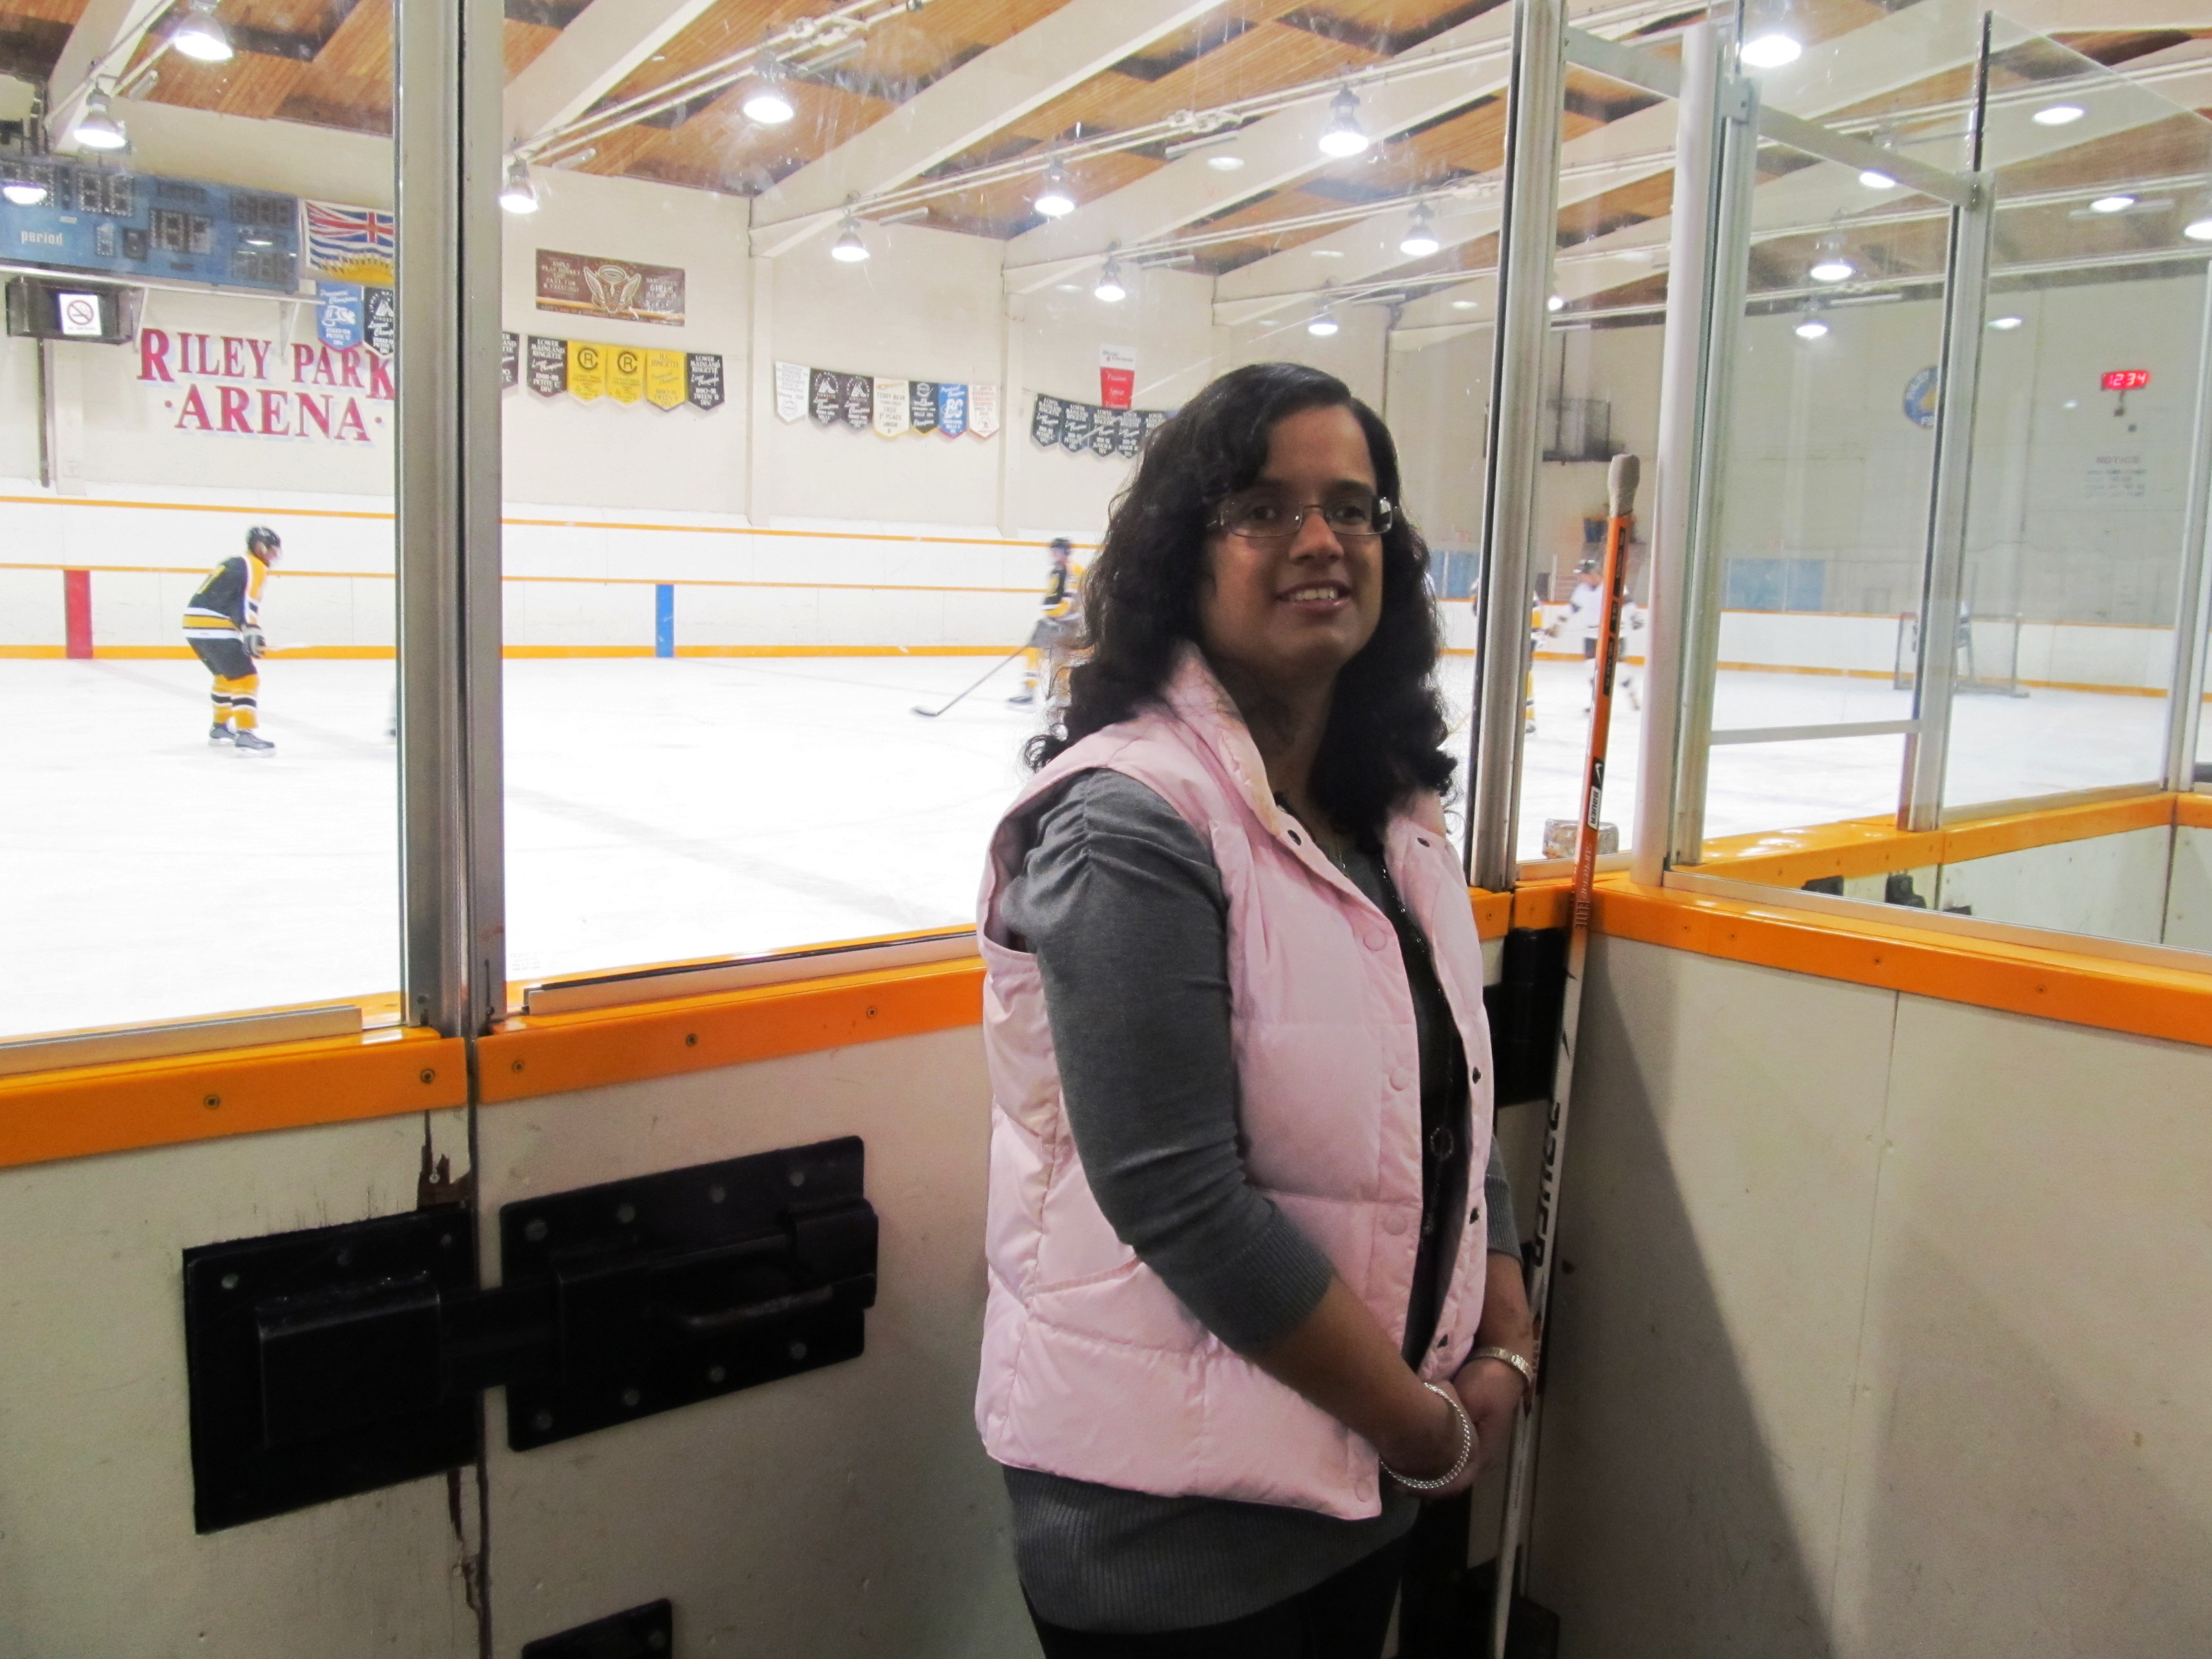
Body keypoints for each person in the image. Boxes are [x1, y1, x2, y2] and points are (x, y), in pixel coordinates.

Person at [976, 362, 1535, 1656]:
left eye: (1354, 506)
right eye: (1265, 509)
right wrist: (1419, 1421)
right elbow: (1176, 1191)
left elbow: (1445, 1077)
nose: (1322, 538)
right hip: (1173, 1531)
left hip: (1356, 1485)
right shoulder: (1128, 821)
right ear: (1188, 550)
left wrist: (1500, 1325)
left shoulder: (1391, 814)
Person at [184, 525, 280, 753]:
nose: (273, 557)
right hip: (213, 627)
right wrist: (252, 629)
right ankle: (245, 734)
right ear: (260, 547)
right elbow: (248, 601)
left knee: (225, 676)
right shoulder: (255, 565)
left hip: (193, 625)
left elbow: (228, 599)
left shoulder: (233, 562)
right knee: (247, 679)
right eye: (272, 551)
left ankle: (220, 728)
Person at [1010, 536, 1081, 708]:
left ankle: (1063, 697)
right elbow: (1052, 597)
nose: (1053, 554)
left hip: (1067, 624)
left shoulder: (1074, 570)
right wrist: (1050, 615)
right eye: (1053, 550)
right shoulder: (1056, 571)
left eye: (1057, 550)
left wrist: (1058, 615)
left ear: (1065, 551)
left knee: (1060, 661)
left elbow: (1069, 599)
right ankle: (1029, 692)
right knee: (1034, 650)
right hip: (1053, 621)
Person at [1560, 559, 1605, 713]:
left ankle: (1629, 692)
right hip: (1590, 634)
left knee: (1617, 670)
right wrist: (1558, 624)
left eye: (1583, 575)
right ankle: (1597, 702)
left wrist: (1634, 617)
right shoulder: (1582, 589)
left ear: (1592, 574)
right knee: (1591, 669)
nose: (1581, 578)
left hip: (1609, 635)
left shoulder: (1610, 586)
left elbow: (1627, 603)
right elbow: (1573, 607)